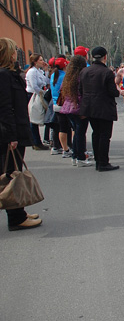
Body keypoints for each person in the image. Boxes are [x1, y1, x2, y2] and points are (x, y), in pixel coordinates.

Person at [0, 37, 43, 231]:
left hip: (15, 130)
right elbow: (5, 107)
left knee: (13, 171)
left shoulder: (9, 74)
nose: (16, 52)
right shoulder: (3, 76)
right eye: (14, 50)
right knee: (13, 174)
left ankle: (20, 212)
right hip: (11, 133)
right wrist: (11, 136)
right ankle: (16, 217)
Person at [79, 47, 120, 172]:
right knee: (104, 136)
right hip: (104, 108)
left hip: (89, 108)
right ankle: (103, 162)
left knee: (95, 133)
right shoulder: (107, 72)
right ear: (105, 57)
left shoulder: (84, 71)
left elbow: (81, 90)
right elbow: (113, 92)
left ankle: (98, 161)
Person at [61, 56, 93, 167]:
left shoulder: (68, 77)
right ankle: (80, 157)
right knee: (80, 134)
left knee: (76, 133)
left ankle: (75, 156)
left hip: (68, 108)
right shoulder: (81, 77)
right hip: (79, 109)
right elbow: (83, 94)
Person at [25, 53, 49, 150]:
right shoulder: (32, 72)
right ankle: (35, 142)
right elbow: (34, 85)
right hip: (33, 95)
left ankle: (39, 141)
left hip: (39, 94)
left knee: (39, 117)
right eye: (40, 60)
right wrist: (41, 93)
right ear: (35, 62)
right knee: (34, 118)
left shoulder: (39, 71)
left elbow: (45, 81)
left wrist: (46, 71)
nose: (42, 62)